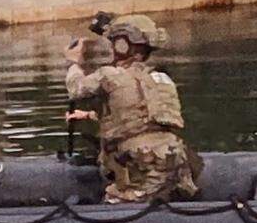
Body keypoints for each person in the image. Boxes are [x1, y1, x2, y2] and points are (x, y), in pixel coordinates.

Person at [64, 14, 200, 203]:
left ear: (122, 45)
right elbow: (141, 119)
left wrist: (74, 63)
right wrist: (89, 115)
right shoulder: (160, 79)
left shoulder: (109, 76)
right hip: (176, 162)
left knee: (111, 208)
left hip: (144, 171)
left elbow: (75, 89)